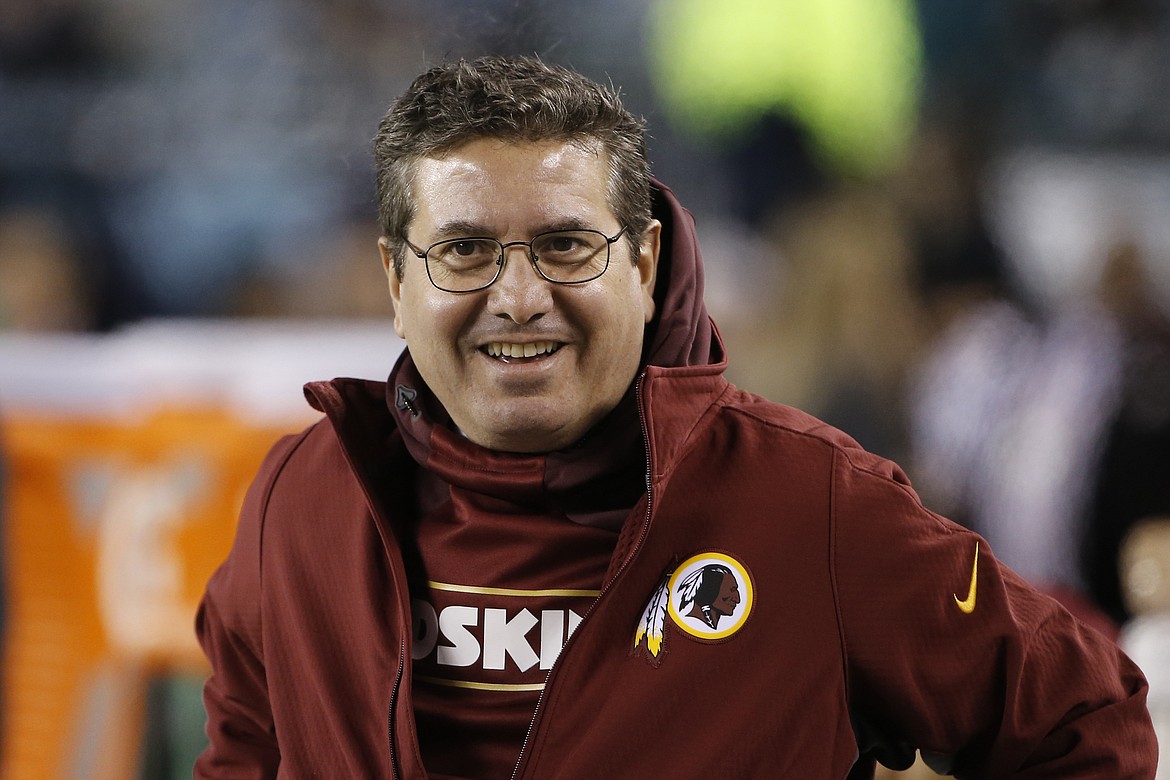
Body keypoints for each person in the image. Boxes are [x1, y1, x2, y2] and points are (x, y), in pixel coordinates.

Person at [194, 55, 1157, 778]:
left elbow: (1087, 727)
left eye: (567, 245)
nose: (519, 297)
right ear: (398, 281)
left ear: (645, 266)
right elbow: (245, 748)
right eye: (465, 251)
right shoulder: (304, 501)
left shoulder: (806, 506)